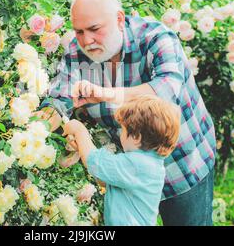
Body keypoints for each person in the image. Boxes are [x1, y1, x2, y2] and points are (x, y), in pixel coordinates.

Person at [36, 0, 217, 226]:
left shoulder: (156, 38)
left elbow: (165, 91)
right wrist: (37, 126)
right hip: (128, 172)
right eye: (79, 31)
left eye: (94, 29)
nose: (86, 40)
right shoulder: (77, 54)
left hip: (183, 164)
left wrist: (105, 94)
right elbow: (60, 98)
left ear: (119, 20)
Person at [63, 95, 181, 226]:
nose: (121, 135)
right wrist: (82, 147)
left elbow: (95, 163)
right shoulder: (150, 164)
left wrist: (80, 131)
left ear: (136, 137)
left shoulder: (137, 165)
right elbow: (104, 179)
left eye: (123, 130)